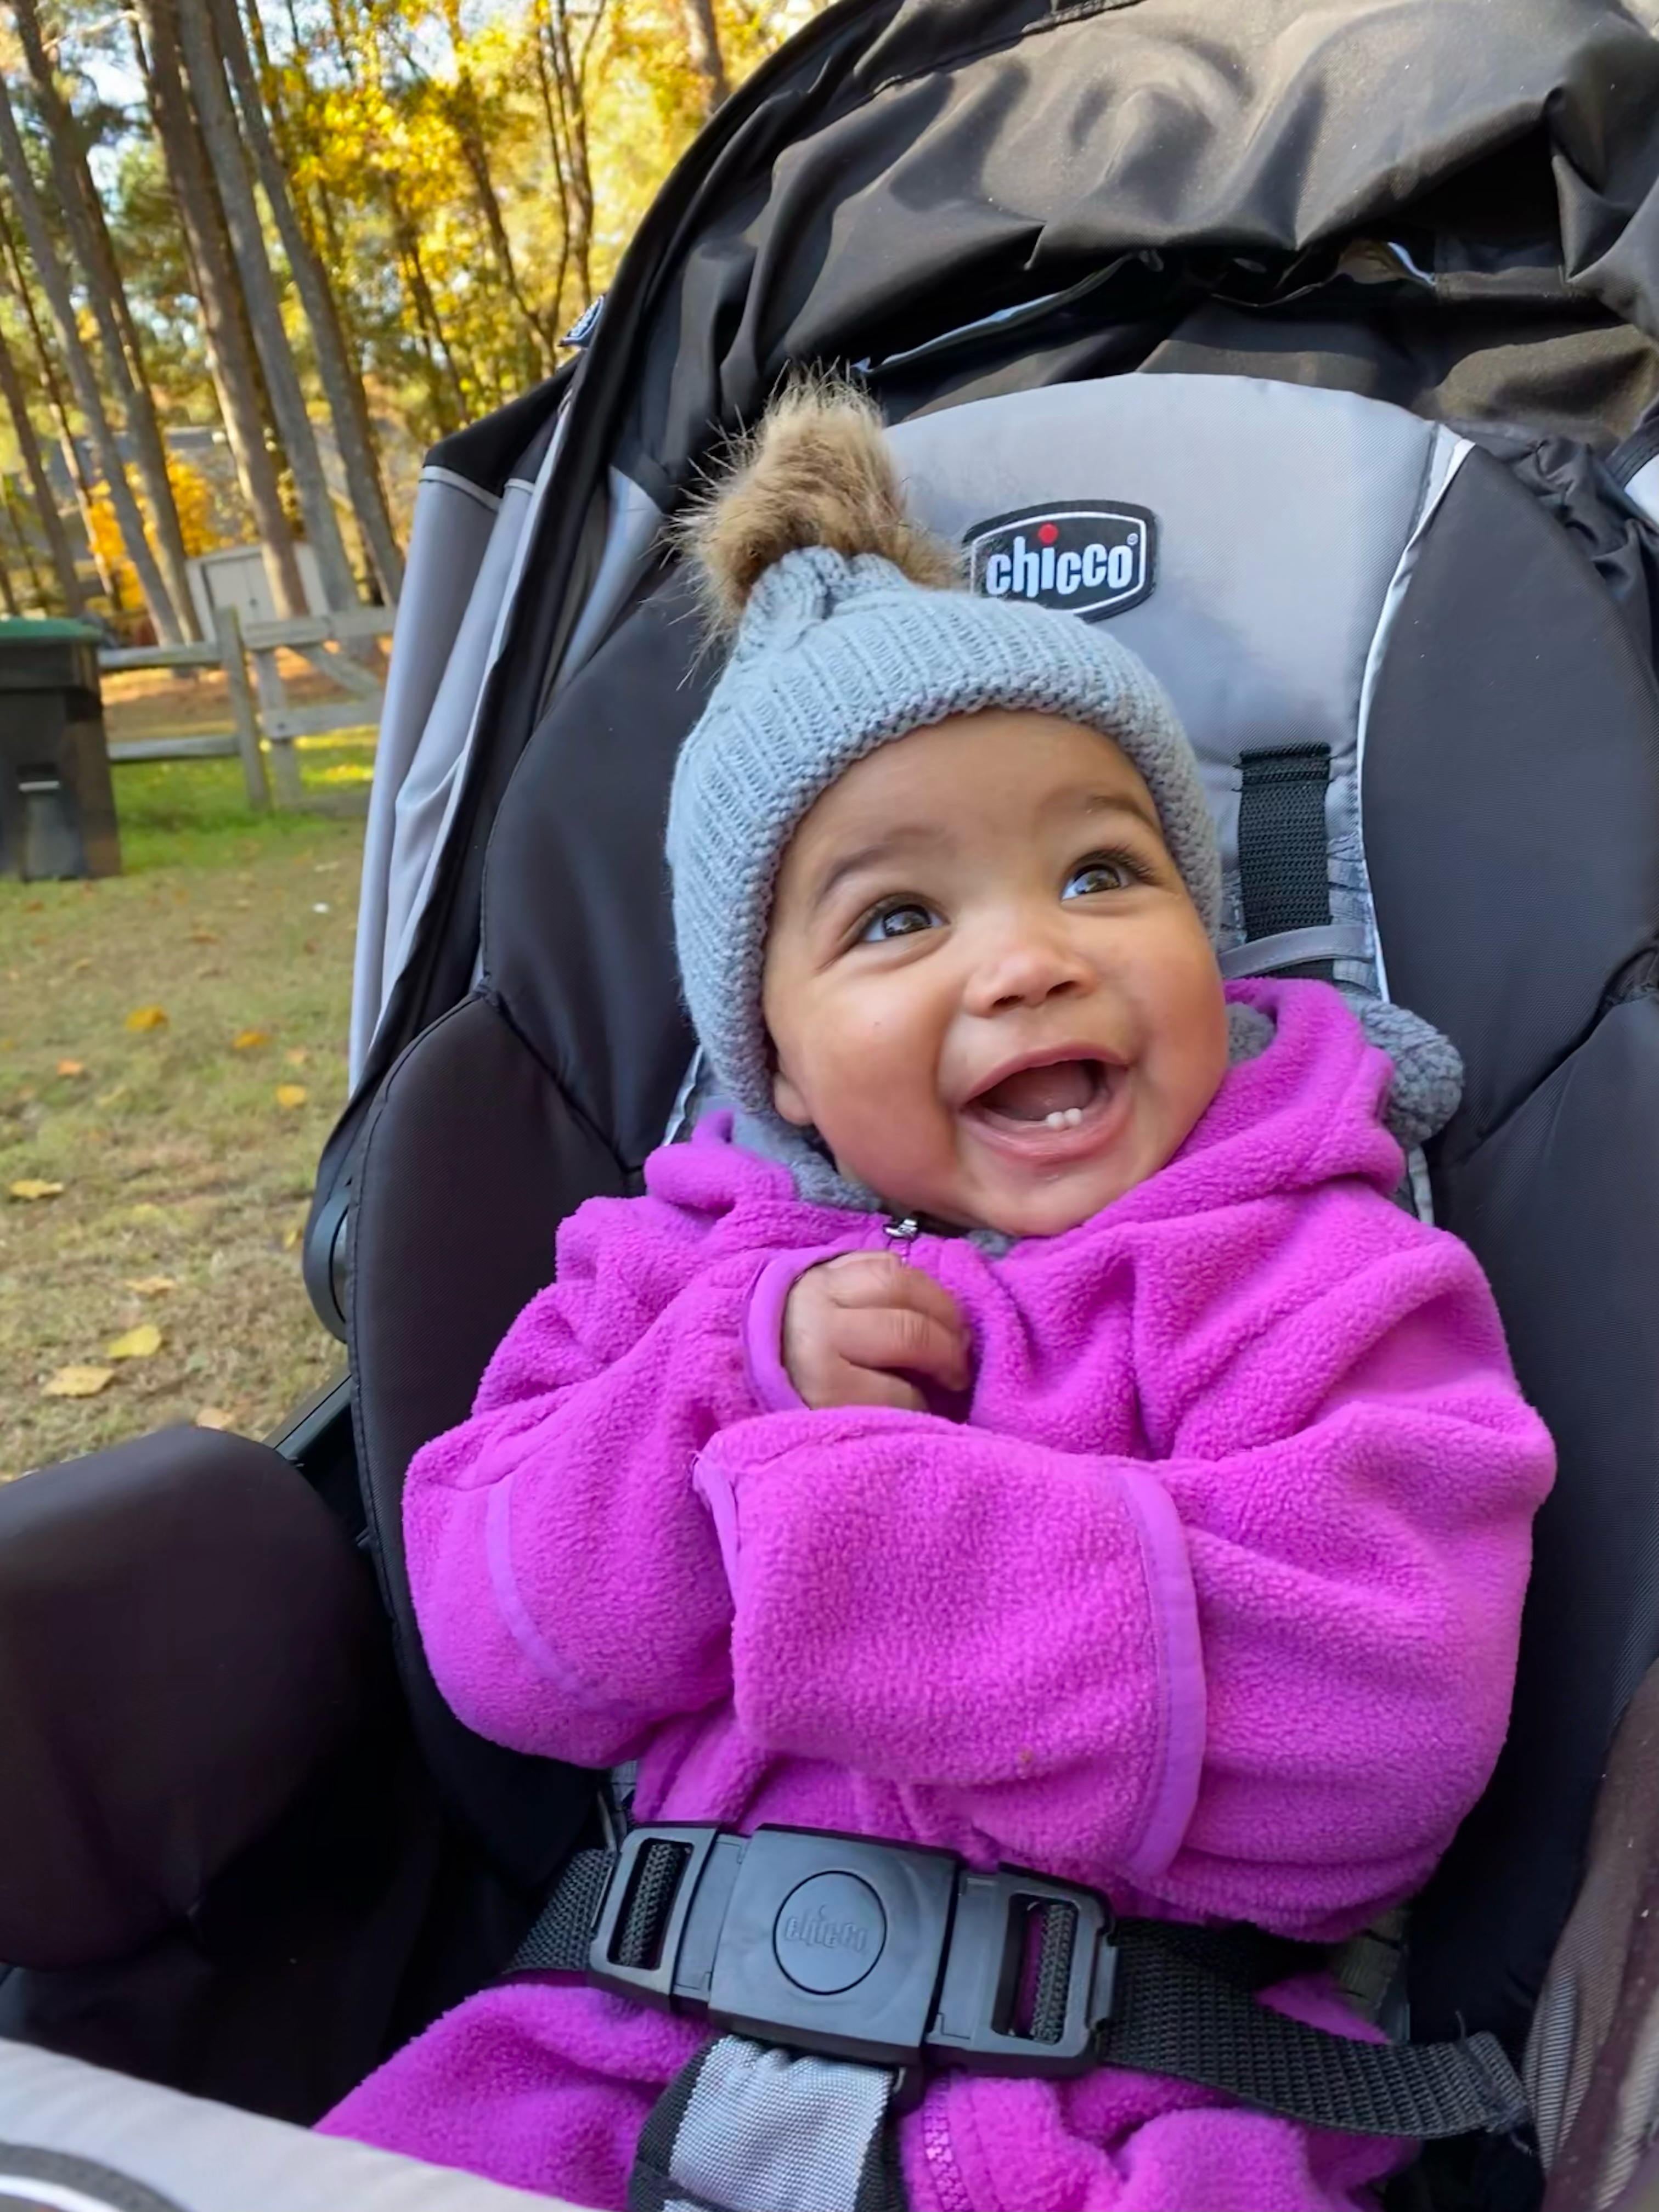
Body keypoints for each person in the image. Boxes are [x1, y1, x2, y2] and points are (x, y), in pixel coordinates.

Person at [320, 383, 1556, 2210]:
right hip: (610, 2050)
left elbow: (1396, 1707)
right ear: (781, 1064)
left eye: (1103, 872)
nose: (1032, 955)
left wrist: (876, 1550)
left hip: (1135, 2090)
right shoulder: (664, 1279)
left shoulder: (1314, 1257)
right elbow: (495, 1632)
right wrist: (719, 1406)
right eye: (899, 920)